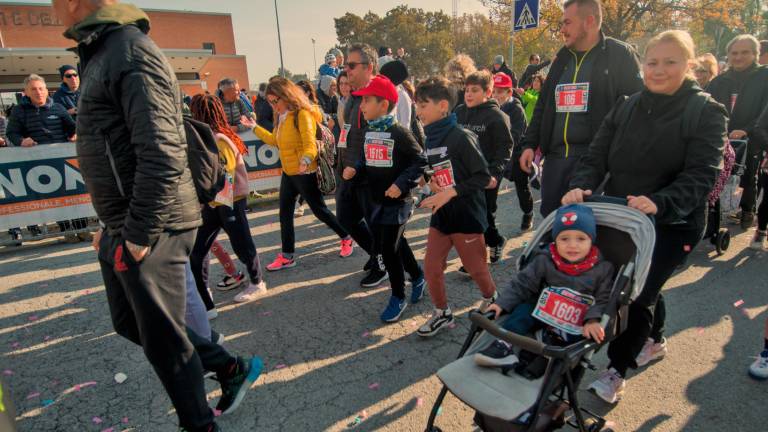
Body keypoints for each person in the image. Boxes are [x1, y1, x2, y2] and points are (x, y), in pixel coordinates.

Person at [54, 2, 263, 430]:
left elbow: (162, 151)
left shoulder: (130, 50)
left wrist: (138, 232)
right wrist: (107, 225)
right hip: (124, 221)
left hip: (154, 223)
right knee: (131, 324)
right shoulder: (101, 53)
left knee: (167, 346)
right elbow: (114, 153)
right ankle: (227, 367)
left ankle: (200, 422)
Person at [562, 30, 727, 404]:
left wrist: (660, 201)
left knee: (635, 296)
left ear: (689, 64)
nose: (659, 70)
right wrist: (581, 185)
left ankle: (616, 371)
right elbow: (596, 154)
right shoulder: (626, 105)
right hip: (625, 216)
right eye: (652, 62)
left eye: (670, 62)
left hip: (673, 221)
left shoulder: (706, 111)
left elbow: (703, 173)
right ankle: (656, 338)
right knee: (635, 283)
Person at [519, 0, 643, 217]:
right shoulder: (561, 59)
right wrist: (530, 143)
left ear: (589, 21)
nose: (562, 29)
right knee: (554, 228)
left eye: (567, 22)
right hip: (556, 161)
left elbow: (636, 111)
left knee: (587, 231)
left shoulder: (620, 55)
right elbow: (543, 105)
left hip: (595, 164)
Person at [475, 204, 613, 367]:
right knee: (522, 311)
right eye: (564, 239)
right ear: (555, 240)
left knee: (581, 335)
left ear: (591, 240)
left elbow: (603, 299)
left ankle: (549, 352)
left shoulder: (603, 268)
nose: (572, 245)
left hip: (576, 315)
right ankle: (504, 345)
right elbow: (523, 283)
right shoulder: (545, 259)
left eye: (581, 239)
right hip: (544, 307)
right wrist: (502, 302)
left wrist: (593, 320)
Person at [414, 77, 497, 337]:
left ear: (442, 106)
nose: (418, 111)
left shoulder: (461, 137)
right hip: (442, 215)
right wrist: (433, 185)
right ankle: (442, 313)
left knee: (476, 268)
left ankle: (493, 300)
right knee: (430, 267)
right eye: (417, 104)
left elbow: (484, 178)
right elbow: (436, 170)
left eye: (423, 105)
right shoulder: (430, 137)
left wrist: (450, 192)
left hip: (466, 216)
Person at [252, 77, 354, 271]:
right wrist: (254, 128)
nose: (274, 106)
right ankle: (287, 256)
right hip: (289, 173)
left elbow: (309, 144)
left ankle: (346, 237)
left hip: (305, 171)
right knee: (284, 213)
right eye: (271, 102)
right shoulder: (281, 117)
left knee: (319, 211)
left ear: (286, 96)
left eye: (276, 101)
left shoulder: (302, 115)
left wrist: (306, 160)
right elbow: (275, 141)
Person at [354, 75, 427, 322]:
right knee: (397, 243)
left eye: (366, 101)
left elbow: (420, 161)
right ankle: (418, 276)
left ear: (383, 104)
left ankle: (398, 296)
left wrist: (400, 183)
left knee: (388, 248)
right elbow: (366, 159)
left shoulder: (400, 133)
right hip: (377, 201)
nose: (361, 106)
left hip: (399, 203)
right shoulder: (368, 131)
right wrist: (356, 168)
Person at [188, 94, 266, 311]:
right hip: (214, 203)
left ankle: (257, 282)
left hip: (230, 200)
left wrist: (218, 201)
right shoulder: (207, 136)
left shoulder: (219, 138)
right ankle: (203, 296)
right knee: (198, 250)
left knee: (242, 243)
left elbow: (227, 173)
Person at [6, 74, 82, 243]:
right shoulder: (19, 111)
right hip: (38, 162)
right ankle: (67, 230)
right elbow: (11, 133)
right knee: (56, 199)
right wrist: (21, 140)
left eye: (41, 88)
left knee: (74, 194)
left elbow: (71, 127)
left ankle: (82, 229)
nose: (38, 92)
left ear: (47, 90)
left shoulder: (58, 107)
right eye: (34, 89)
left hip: (64, 160)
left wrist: (74, 134)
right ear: (26, 92)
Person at [338, 43, 388, 287]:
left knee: (377, 224)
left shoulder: (380, 94)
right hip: (350, 170)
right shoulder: (353, 97)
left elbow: (383, 136)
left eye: (351, 65)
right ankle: (377, 254)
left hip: (369, 173)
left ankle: (383, 263)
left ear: (369, 67)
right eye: (346, 64)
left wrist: (360, 166)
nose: (346, 69)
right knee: (346, 218)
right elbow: (349, 133)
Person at [707, 34, 768, 230]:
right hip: (721, 136)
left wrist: (747, 130)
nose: (738, 57)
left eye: (744, 53)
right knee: (716, 172)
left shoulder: (764, 77)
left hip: (752, 136)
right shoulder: (721, 80)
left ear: (755, 54)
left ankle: (748, 209)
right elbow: (707, 104)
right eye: (734, 53)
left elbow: (764, 111)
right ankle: (713, 210)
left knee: (748, 173)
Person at [454, 70, 514, 264]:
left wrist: (494, 175)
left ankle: (492, 245)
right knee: (469, 215)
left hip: (487, 176)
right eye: (467, 90)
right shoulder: (459, 112)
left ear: (488, 92)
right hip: (464, 175)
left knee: (483, 216)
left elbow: (505, 149)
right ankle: (481, 252)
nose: (469, 94)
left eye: (474, 90)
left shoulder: (497, 117)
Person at [494, 72, 533, 231]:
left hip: (517, 155)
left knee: (521, 187)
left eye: (500, 91)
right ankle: (489, 220)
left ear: (509, 92)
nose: (496, 95)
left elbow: (516, 135)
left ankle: (528, 213)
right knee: (490, 188)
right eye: (494, 91)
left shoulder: (516, 109)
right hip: (497, 156)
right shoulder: (492, 107)